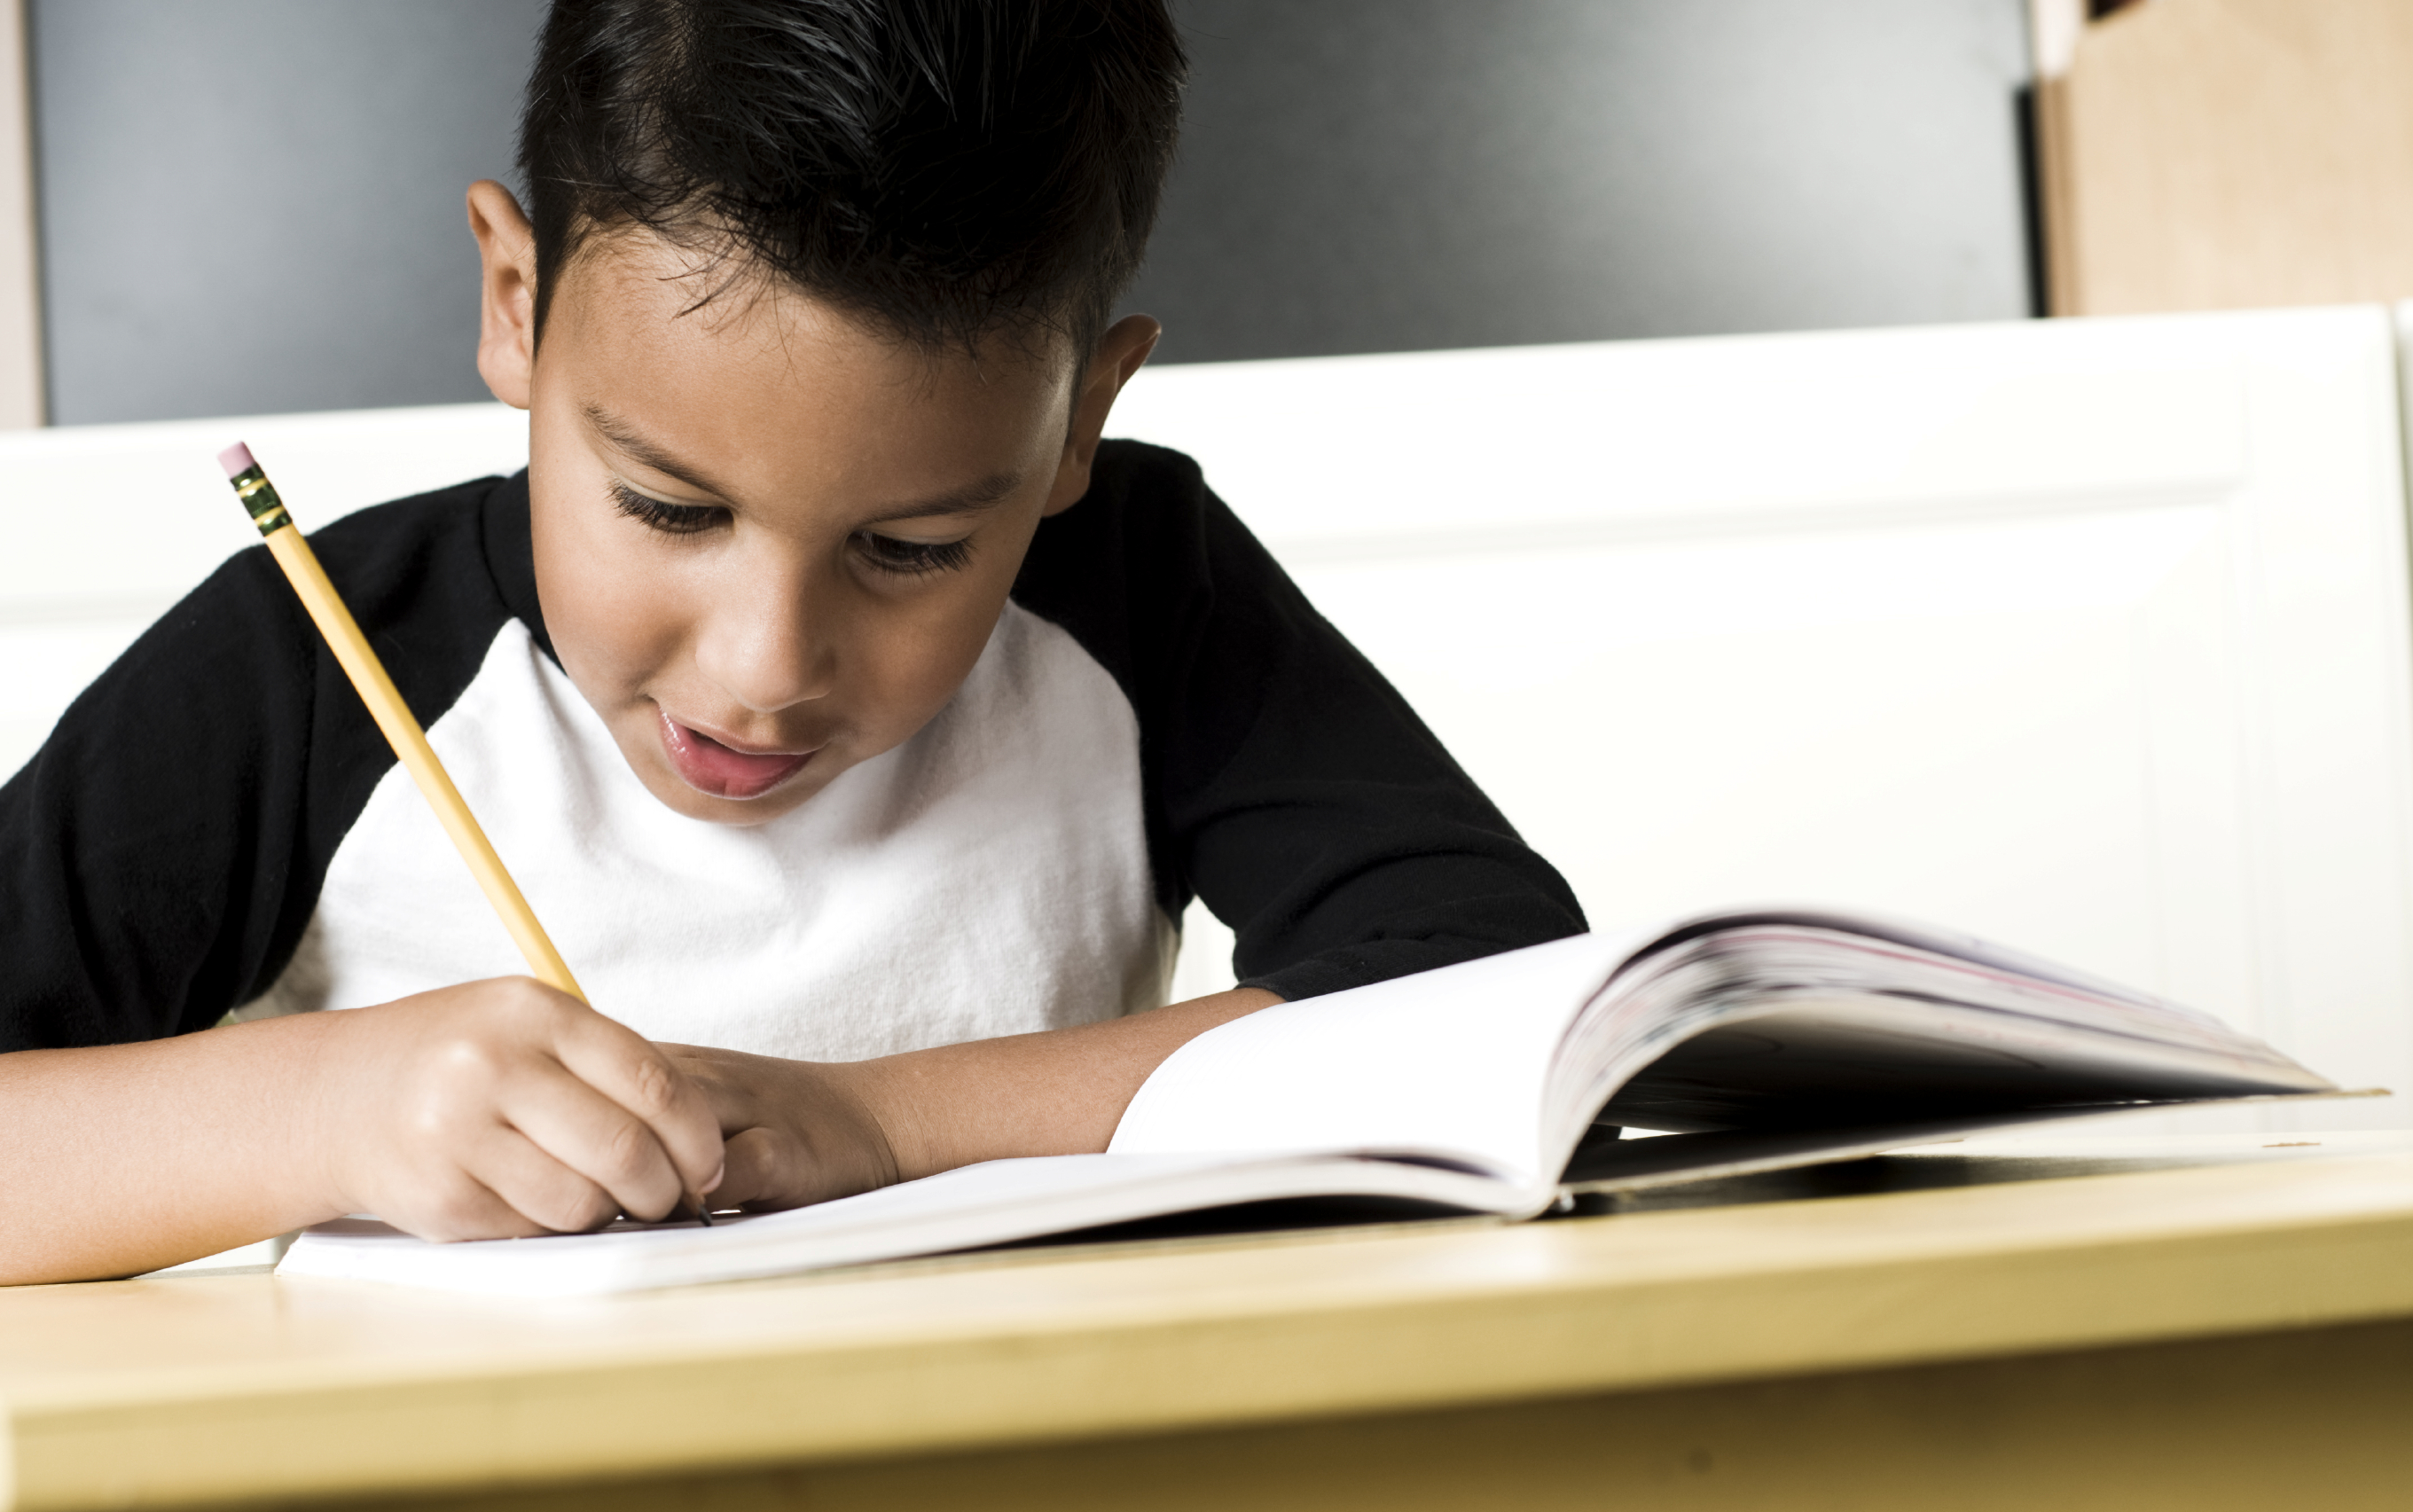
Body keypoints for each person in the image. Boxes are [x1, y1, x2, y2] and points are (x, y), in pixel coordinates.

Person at [0, 0, 1583, 1284]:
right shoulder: (315, 656)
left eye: (911, 548)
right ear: (512, 298)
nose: (765, 665)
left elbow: (1485, 997)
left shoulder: (1135, 590)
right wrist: (328, 1110)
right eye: (670, 510)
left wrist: (879, 1122)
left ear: (1078, 421)